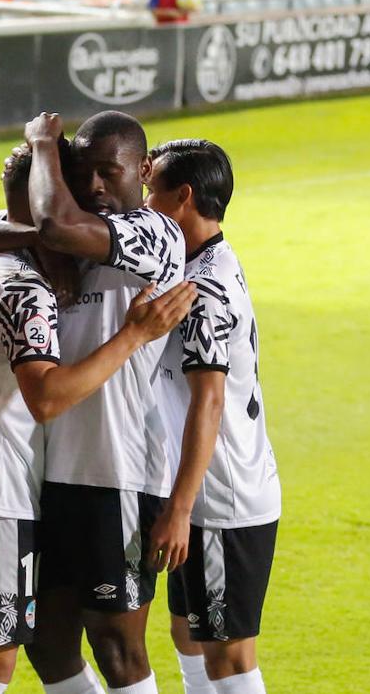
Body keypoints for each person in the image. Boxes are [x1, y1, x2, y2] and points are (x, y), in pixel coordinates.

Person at [0, 110, 187, 694]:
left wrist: (43, 142)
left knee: (117, 645)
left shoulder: (151, 232)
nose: (96, 186)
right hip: (44, 474)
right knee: (46, 641)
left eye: (108, 172)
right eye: (83, 175)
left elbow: (57, 225)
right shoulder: (54, 239)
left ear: (142, 173)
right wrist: (36, 237)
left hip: (115, 468)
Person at [142, 140, 281, 694]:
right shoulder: (206, 261)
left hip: (220, 497)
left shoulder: (205, 288)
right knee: (189, 633)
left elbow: (210, 400)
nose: (145, 204)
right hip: (214, 488)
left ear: (183, 197)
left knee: (228, 656)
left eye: (152, 193)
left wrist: (178, 509)